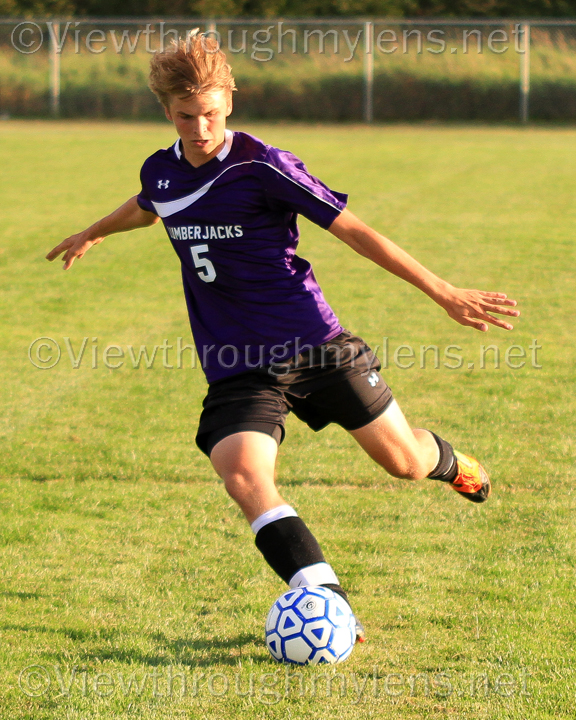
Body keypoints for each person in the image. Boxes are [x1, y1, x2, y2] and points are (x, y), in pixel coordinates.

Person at [46, 33, 519, 642]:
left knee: (404, 462)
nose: (199, 127)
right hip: (236, 363)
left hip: (315, 344)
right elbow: (149, 205)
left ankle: (451, 462)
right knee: (242, 473)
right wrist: (95, 231)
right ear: (167, 112)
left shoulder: (263, 164)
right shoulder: (160, 171)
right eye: (186, 116)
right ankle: (325, 597)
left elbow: (354, 230)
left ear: (230, 103)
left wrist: (443, 290)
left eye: (211, 113)